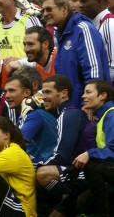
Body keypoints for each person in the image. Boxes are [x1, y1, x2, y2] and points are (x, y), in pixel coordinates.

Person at [36, 75, 95, 213]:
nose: (44, 97)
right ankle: (67, 200)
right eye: (43, 92)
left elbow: (63, 156)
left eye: (48, 92)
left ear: (64, 93)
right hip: (82, 170)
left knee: (41, 173)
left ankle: (65, 196)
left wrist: (37, 166)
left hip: (88, 174)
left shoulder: (68, 114)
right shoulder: (69, 113)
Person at [42, 0, 110, 104]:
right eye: (43, 10)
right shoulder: (60, 34)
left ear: (64, 9)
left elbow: (94, 70)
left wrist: (90, 103)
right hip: (70, 105)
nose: (44, 14)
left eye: (49, 9)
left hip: (85, 107)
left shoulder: (83, 29)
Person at [73, 79, 114, 217]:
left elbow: (113, 149)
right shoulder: (102, 115)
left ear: (103, 95)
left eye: (88, 92)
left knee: (89, 165)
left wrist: (89, 154)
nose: (83, 96)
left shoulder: (112, 115)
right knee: (82, 201)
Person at [4, 74, 58, 164]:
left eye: (12, 91)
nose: (7, 95)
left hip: (46, 163)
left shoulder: (35, 115)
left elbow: (16, 144)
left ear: (27, 93)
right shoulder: (25, 114)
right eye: (6, 91)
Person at [79, 0, 114, 79]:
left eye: (84, 1)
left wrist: (97, 86)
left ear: (99, 2)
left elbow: (113, 66)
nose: (80, 5)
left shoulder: (109, 24)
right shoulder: (94, 23)